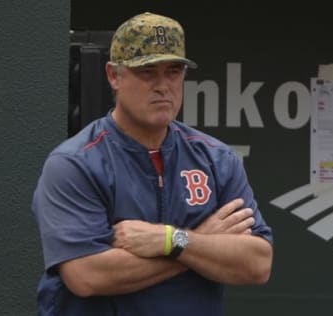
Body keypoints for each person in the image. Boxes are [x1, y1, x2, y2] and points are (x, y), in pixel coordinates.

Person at [32, 11, 273, 316]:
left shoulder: (216, 158)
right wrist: (204, 243)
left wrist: (172, 240)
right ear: (114, 75)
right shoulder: (75, 163)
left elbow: (257, 263)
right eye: (147, 71)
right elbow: (86, 275)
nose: (163, 85)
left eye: (173, 71)